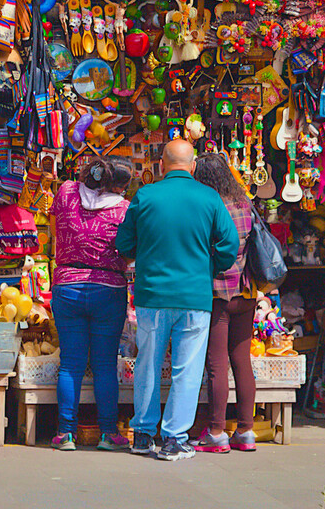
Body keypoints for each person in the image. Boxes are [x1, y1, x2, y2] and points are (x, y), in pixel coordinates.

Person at [115, 139, 238, 461]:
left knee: (148, 365)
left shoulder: (146, 195)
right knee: (187, 369)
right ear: (193, 165)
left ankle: (142, 434)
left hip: (152, 295)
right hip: (194, 296)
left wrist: (146, 255)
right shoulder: (209, 197)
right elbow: (229, 245)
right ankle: (173, 439)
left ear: (161, 165)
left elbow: (124, 242)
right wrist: (208, 266)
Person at [49, 158, 132, 452]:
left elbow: (53, 227)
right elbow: (130, 249)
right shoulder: (124, 209)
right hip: (109, 290)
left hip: (67, 285)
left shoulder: (67, 192)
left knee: (70, 363)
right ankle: (109, 433)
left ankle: (65, 434)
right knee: (104, 365)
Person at [190, 153, 257, 453]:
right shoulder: (245, 203)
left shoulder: (207, 207)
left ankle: (216, 431)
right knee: (242, 363)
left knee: (216, 365)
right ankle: (246, 430)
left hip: (217, 292)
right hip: (246, 291)